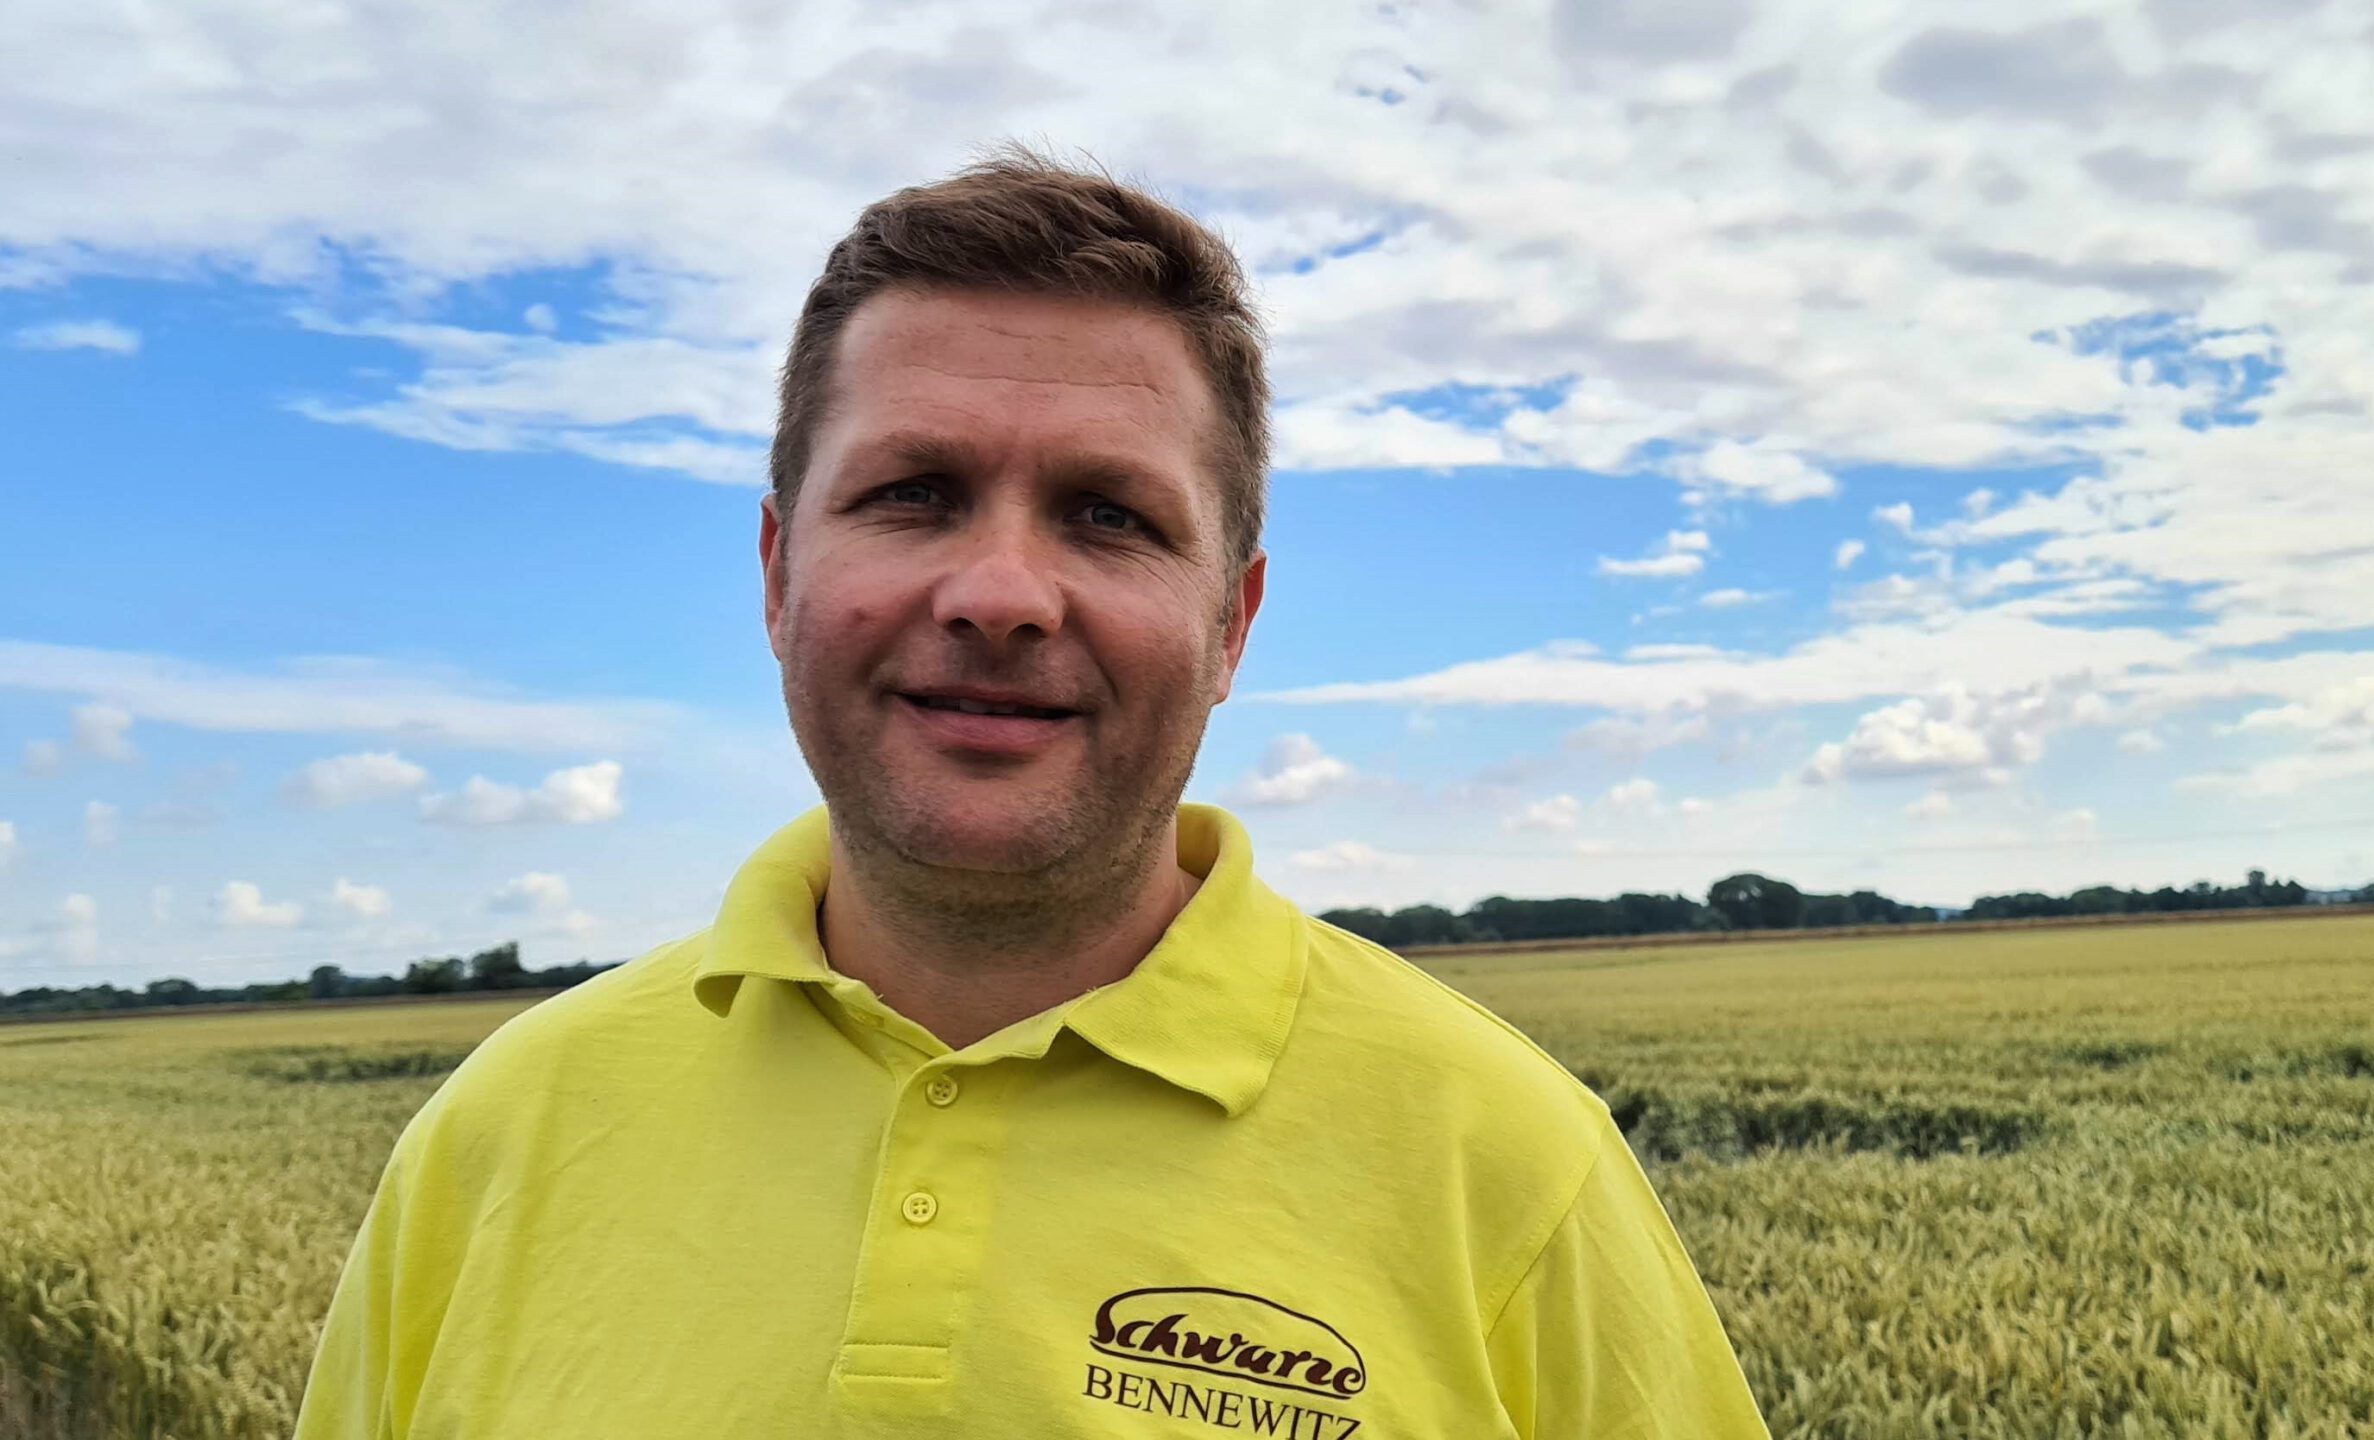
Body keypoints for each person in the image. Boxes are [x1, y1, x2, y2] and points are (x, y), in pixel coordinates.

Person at [292, 144, 1769, 1440]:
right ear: (775, 574)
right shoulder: (499, 1141)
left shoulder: (1507, 1165)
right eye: (913, 493)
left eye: (1108, 516)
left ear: (1232, 625)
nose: (1000, 594)